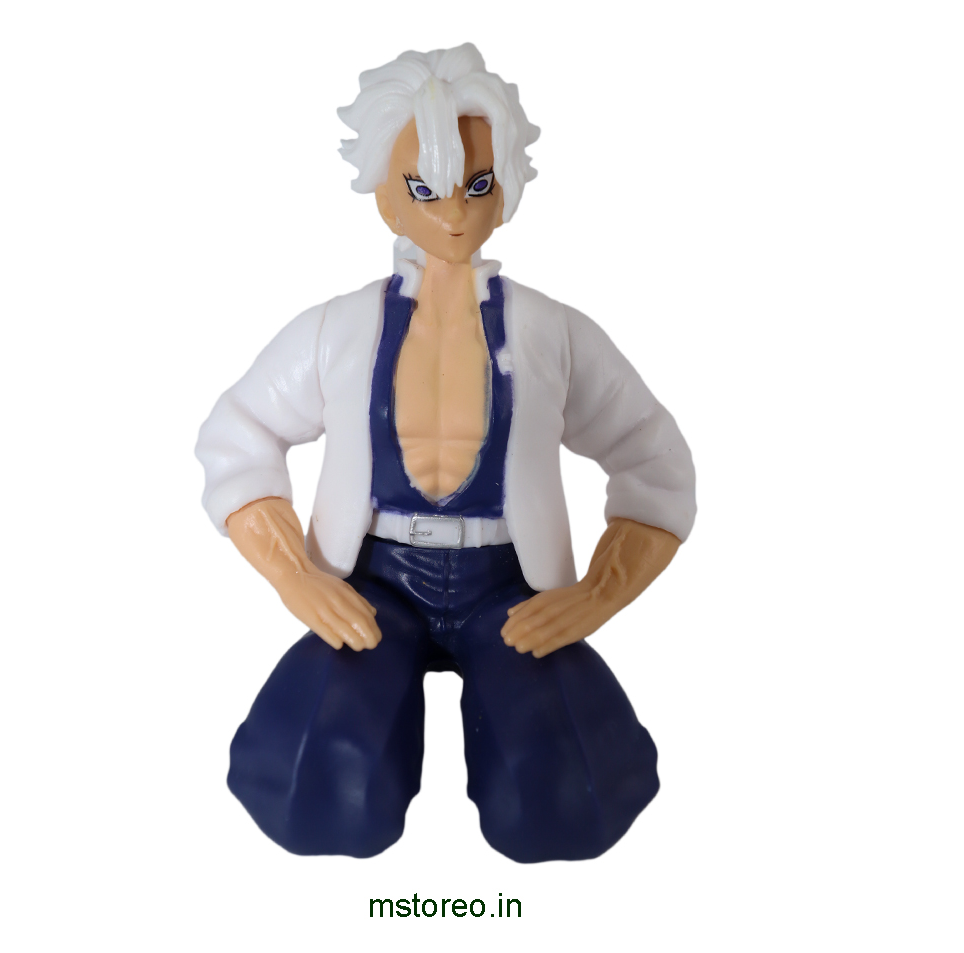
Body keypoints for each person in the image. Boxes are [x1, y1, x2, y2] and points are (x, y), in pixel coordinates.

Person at [196, 43, 696, 863]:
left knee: (561, 794)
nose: (454, 212)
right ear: (383, 194)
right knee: (322, 784)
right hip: (373, 584)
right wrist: (295, 577)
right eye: (425, 188)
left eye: (478, 185)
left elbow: (655, 459)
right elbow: (237, 437)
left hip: (509, 588)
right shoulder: (337, 331)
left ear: (507, 188)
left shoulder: (551, 333)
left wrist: (598, 594)